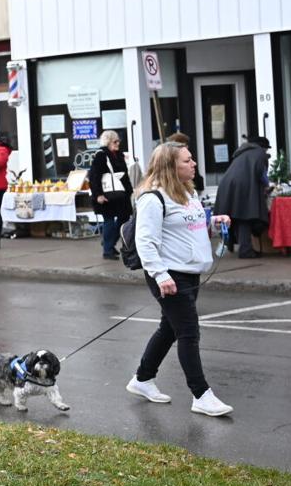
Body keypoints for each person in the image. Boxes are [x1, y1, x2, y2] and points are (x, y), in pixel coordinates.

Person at [129, 140, 233, 417]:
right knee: (188, 332)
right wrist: (160, 275)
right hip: (169, 273)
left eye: (191, 159)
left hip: (189, 271)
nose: (194, 164)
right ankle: (201, 395)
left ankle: (142, 379)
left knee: (170, 329)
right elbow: (145, 242)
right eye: (187, 160)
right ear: (170, 166)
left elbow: (189, 229)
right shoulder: (153, 198)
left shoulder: (188, 192)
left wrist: (213, 223)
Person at [212, 136, 271, 259]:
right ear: (263, 147)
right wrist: (268, 185)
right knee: (244, 217)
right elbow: (261, 174)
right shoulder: (260, 153)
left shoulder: (241, 152)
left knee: (234, 217)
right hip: (242, 187)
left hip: (226, 185)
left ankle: (225, 249)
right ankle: (245, 251)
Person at [88, 130, 134, 261]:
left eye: (118, 141)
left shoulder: (119, 155)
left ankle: (109, 242)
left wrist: (130, 191)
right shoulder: (101, 155)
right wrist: (98, 195)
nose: (118, 143)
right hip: (106, 194)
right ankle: (107, 250)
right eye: (115, 141)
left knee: (124, 218)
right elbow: (94, 177)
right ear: (108, 142)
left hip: (120, 194)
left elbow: (124, 175)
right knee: (108, 220)